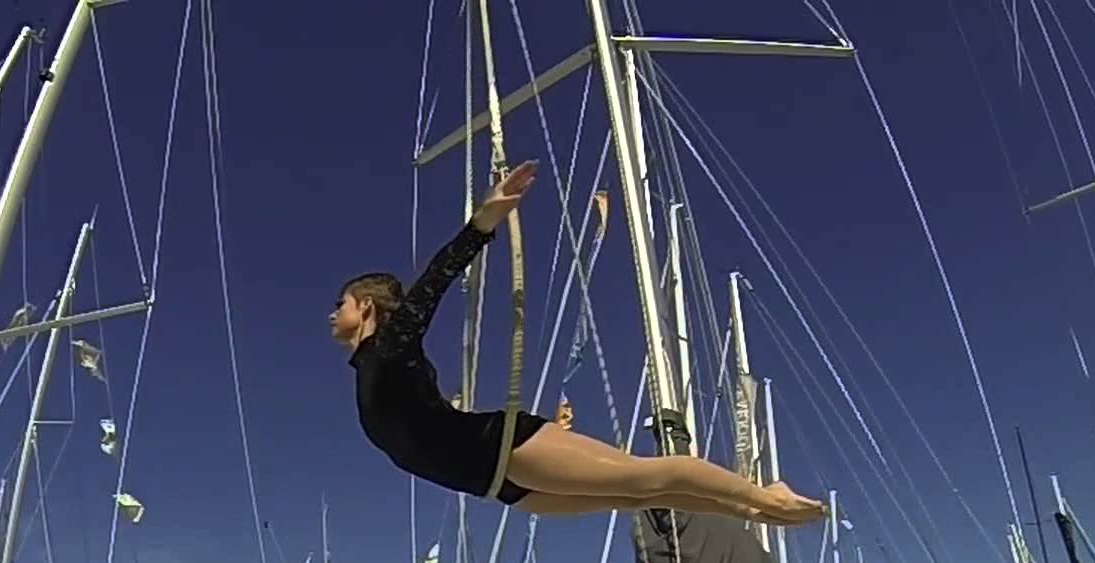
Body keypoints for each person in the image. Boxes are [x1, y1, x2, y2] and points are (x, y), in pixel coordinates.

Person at [332, 160, 826, 527]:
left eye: (343, 303)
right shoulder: (374, 370)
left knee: (641, 477)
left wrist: (483, 222)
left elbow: (434, 282)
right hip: (490, 483)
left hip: (497, 449)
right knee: (635, 496)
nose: (334, 314)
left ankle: (766, 495)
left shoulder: (391, 346)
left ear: (367, 308)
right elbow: (419, 417)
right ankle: (752, 510)